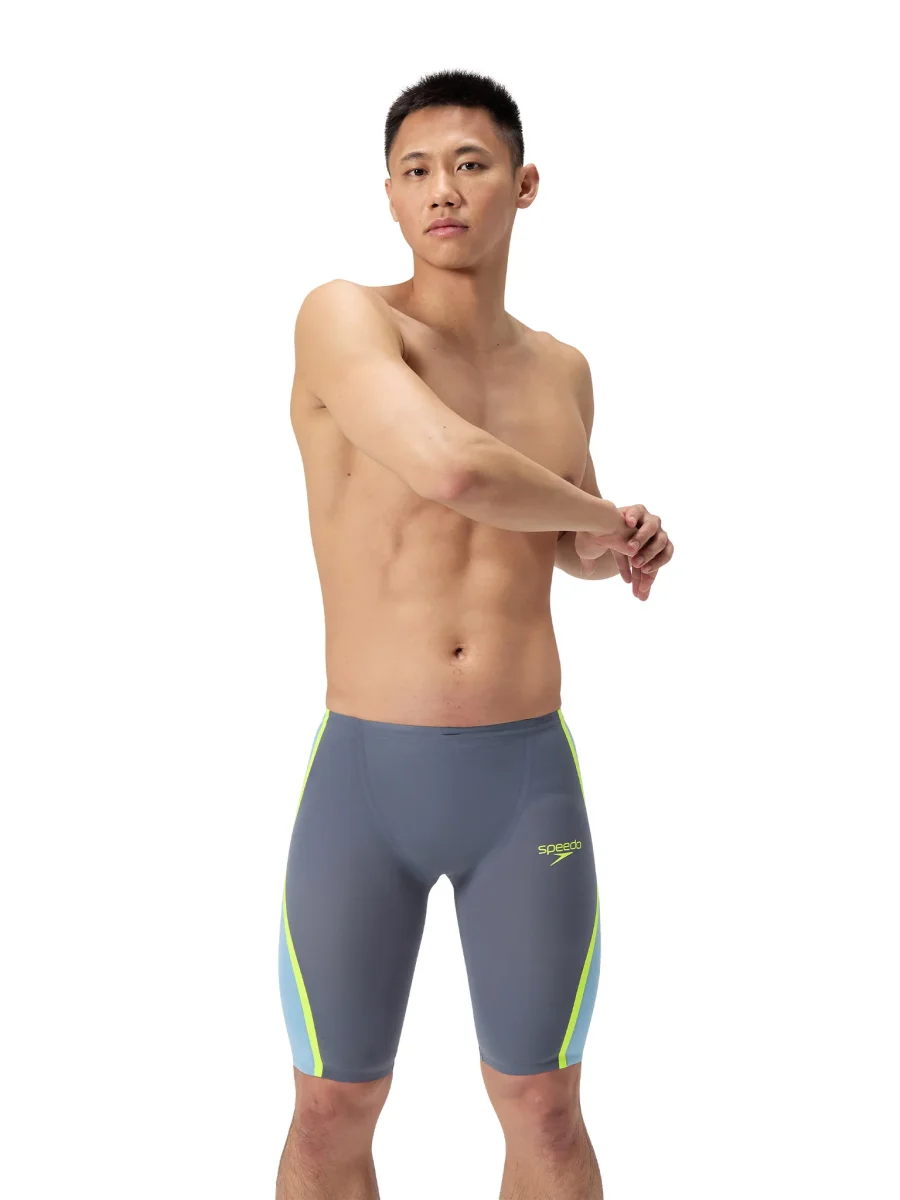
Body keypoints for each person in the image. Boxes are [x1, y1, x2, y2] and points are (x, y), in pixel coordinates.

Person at [275, 68, 674, 1200]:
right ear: (390, 198)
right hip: (369, 775)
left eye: (469, 164)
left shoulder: (562, 370)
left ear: (524, 184)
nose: (441, 189)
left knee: (545, 1109)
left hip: (524, 781)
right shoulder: (344, 318)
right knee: (331, 1110)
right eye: (415, 170)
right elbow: (450, 467)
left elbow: (565, 541)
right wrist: (595, 509)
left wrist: (619, 540)